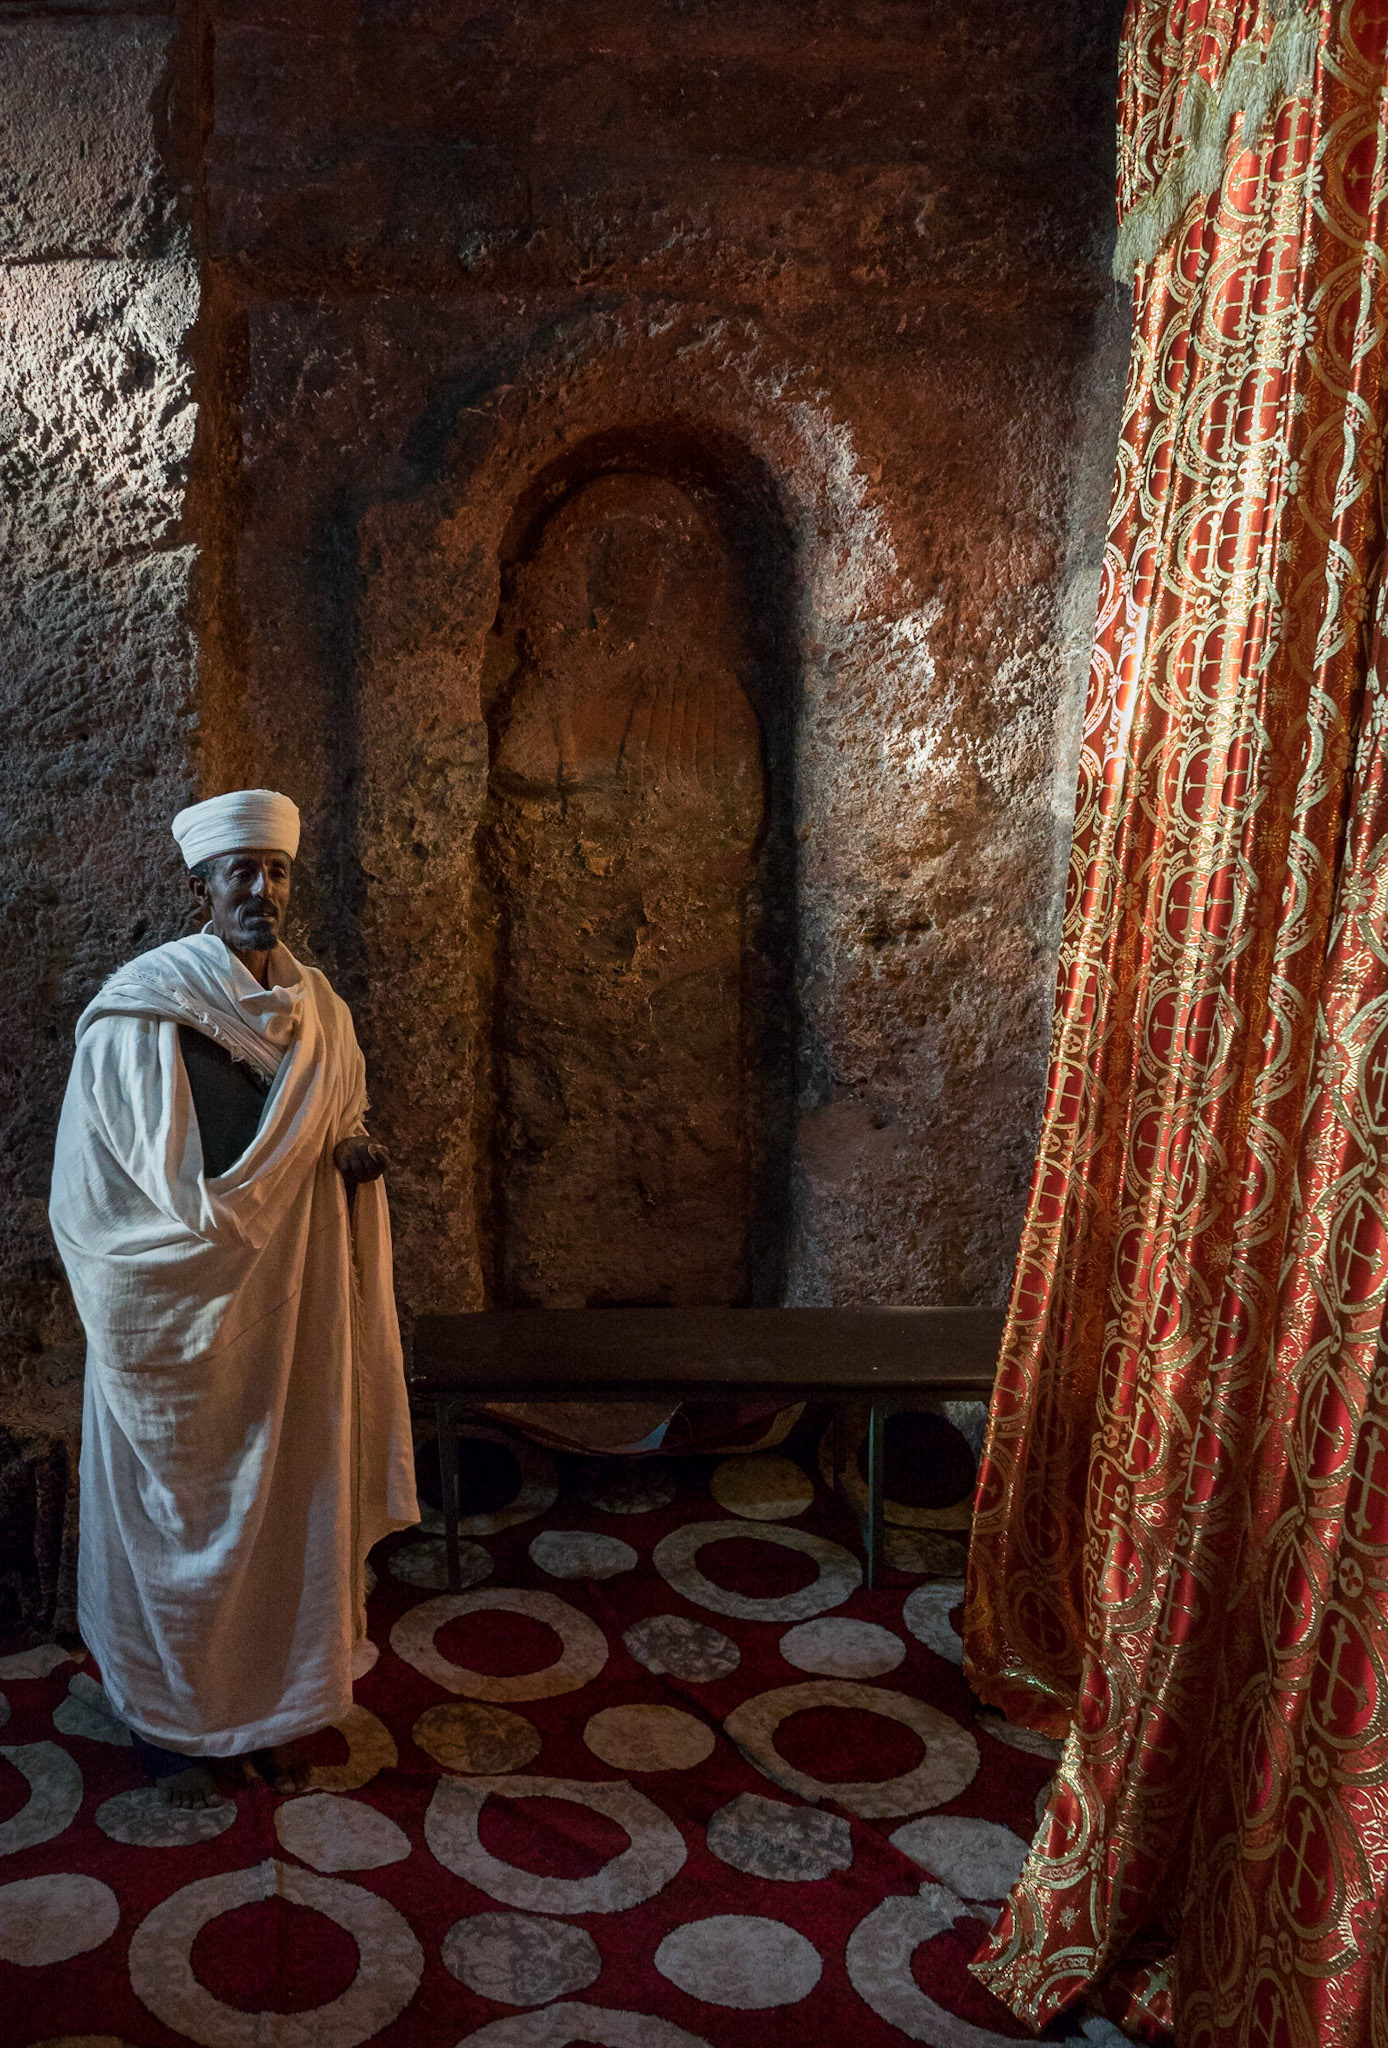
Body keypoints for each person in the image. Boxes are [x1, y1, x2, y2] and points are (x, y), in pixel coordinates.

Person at [49, 790, 418, 1808]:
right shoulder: (141, 1009)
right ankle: (178, 1715)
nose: (262, 889)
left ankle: (276, 1708)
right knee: (182, 1513)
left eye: (278, 870)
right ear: (201, 885)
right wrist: (151, 1280)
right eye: (241, 872)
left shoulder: (322, 1011)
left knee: (289, 1496)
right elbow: (94, 1184)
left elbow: (338, 1118)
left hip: (289, 1314)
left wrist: (349, 1147)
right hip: (176, 1312)